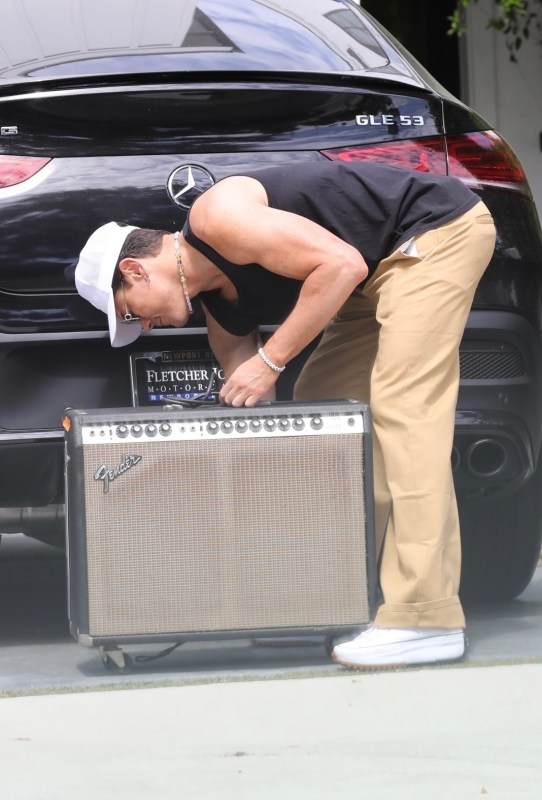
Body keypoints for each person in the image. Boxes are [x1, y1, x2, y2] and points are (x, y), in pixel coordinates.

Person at [75, 161, 496, 669]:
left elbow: (340, 265)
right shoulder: (218, 310)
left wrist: (269, 362)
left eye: (129, 311)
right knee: (326, 404)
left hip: (432, 233)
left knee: (403, 410)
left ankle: (426, 617)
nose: (142, 325)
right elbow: (254, 400)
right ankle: (333, 595)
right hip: (375, 270)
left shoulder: (216, 217)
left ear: (134, 270)